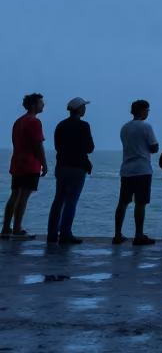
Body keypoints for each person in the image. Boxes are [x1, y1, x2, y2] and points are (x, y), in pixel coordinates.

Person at [47, 97, 94, 245]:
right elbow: (90, 148)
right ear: (79, 109)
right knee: (71, 201)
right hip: (77, 167)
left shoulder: (61, 125)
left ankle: (52, 233)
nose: (85, 109)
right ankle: (65, 233)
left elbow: (56, 146)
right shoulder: (84, 126)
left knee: (58, 200)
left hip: (61, 166)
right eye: (84, 107)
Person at [114, 99, 159, 246]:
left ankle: (117, 234)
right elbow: (154, 147)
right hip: (142, 169)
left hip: (126, 169)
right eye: (147, 109)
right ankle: (138, 235)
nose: (148, 112)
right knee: (140, 203)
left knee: (123, 202)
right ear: (142, 110)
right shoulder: (146, 127)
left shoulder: (124, 128)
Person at [2, 94, 47, 240]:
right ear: (34, 105)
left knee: (14, 194)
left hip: (17, 163)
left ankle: (6, 228)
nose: (43, 105)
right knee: (24, 196)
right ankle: (17, 229)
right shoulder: (34, 122)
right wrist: (44, 163)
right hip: (30, 163)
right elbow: (37, 144)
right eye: (41, 103)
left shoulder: (18, 121)